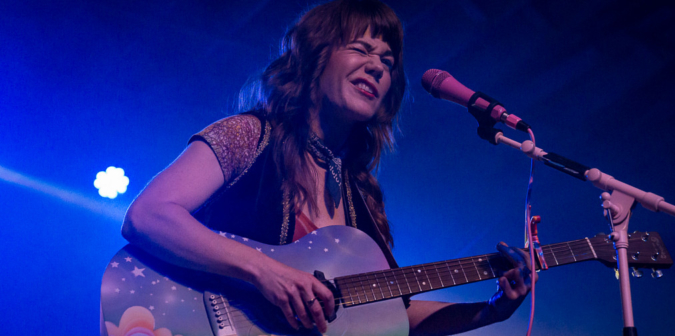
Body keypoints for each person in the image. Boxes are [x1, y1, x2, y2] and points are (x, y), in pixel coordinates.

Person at [121, 0, 536, 334]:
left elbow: (387, 317)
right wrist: (265, 271)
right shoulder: (249, 135)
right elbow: (148, 215)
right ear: (314, 58)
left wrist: (490, 312)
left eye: (389, 61)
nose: (378, 66)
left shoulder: (364, 196)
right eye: (361, 49)